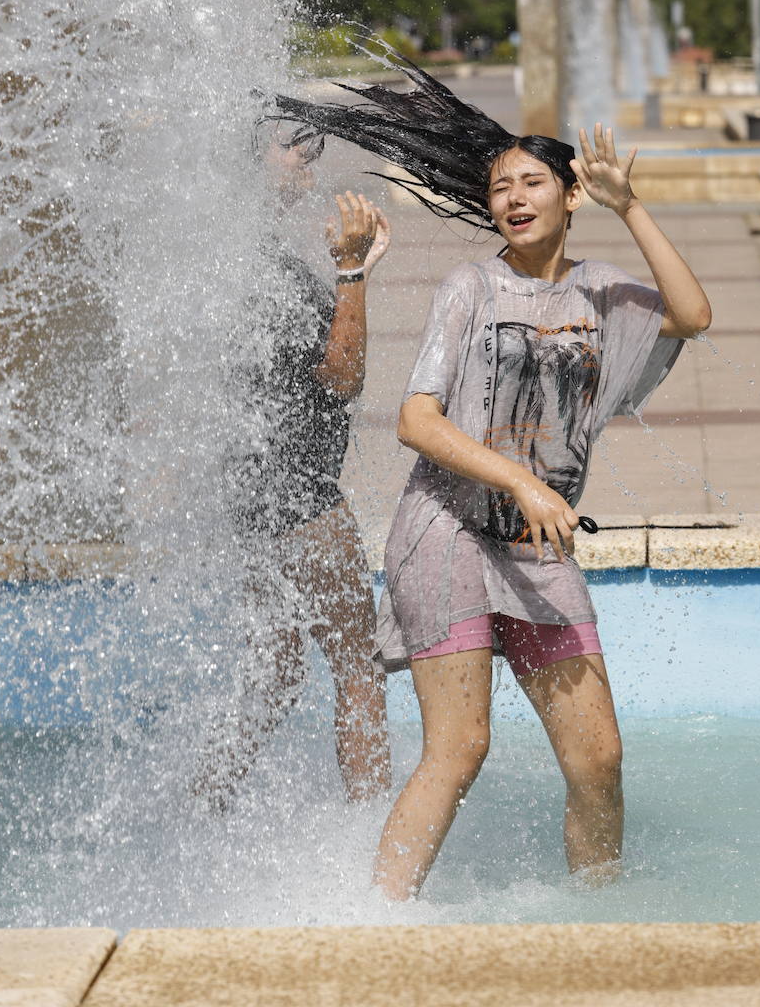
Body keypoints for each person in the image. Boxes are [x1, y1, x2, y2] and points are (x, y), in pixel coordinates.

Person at [265, 43, 711, 898]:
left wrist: (634, 207)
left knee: (599, 758)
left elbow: (691, 313)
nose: (513, 197)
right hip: (446, 532)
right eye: (502, 186)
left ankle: (598, 916)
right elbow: (415, 419)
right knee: (460, 746)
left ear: (570, 196)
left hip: (536, 549)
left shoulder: (606, 295)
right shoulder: (471, 288)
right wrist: (518, 479)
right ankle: (375, 923)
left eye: (533, 183)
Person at [195, 114, 392, 809]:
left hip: (246, 496)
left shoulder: (220, 254)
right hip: (299, 499)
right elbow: (341, 377)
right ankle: (375, 848)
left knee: (275, 671)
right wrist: (351, 274)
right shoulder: (262, 271)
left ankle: (202, 804)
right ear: (248, 162)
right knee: (360, 667)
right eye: (291, 151)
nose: (308, 163)